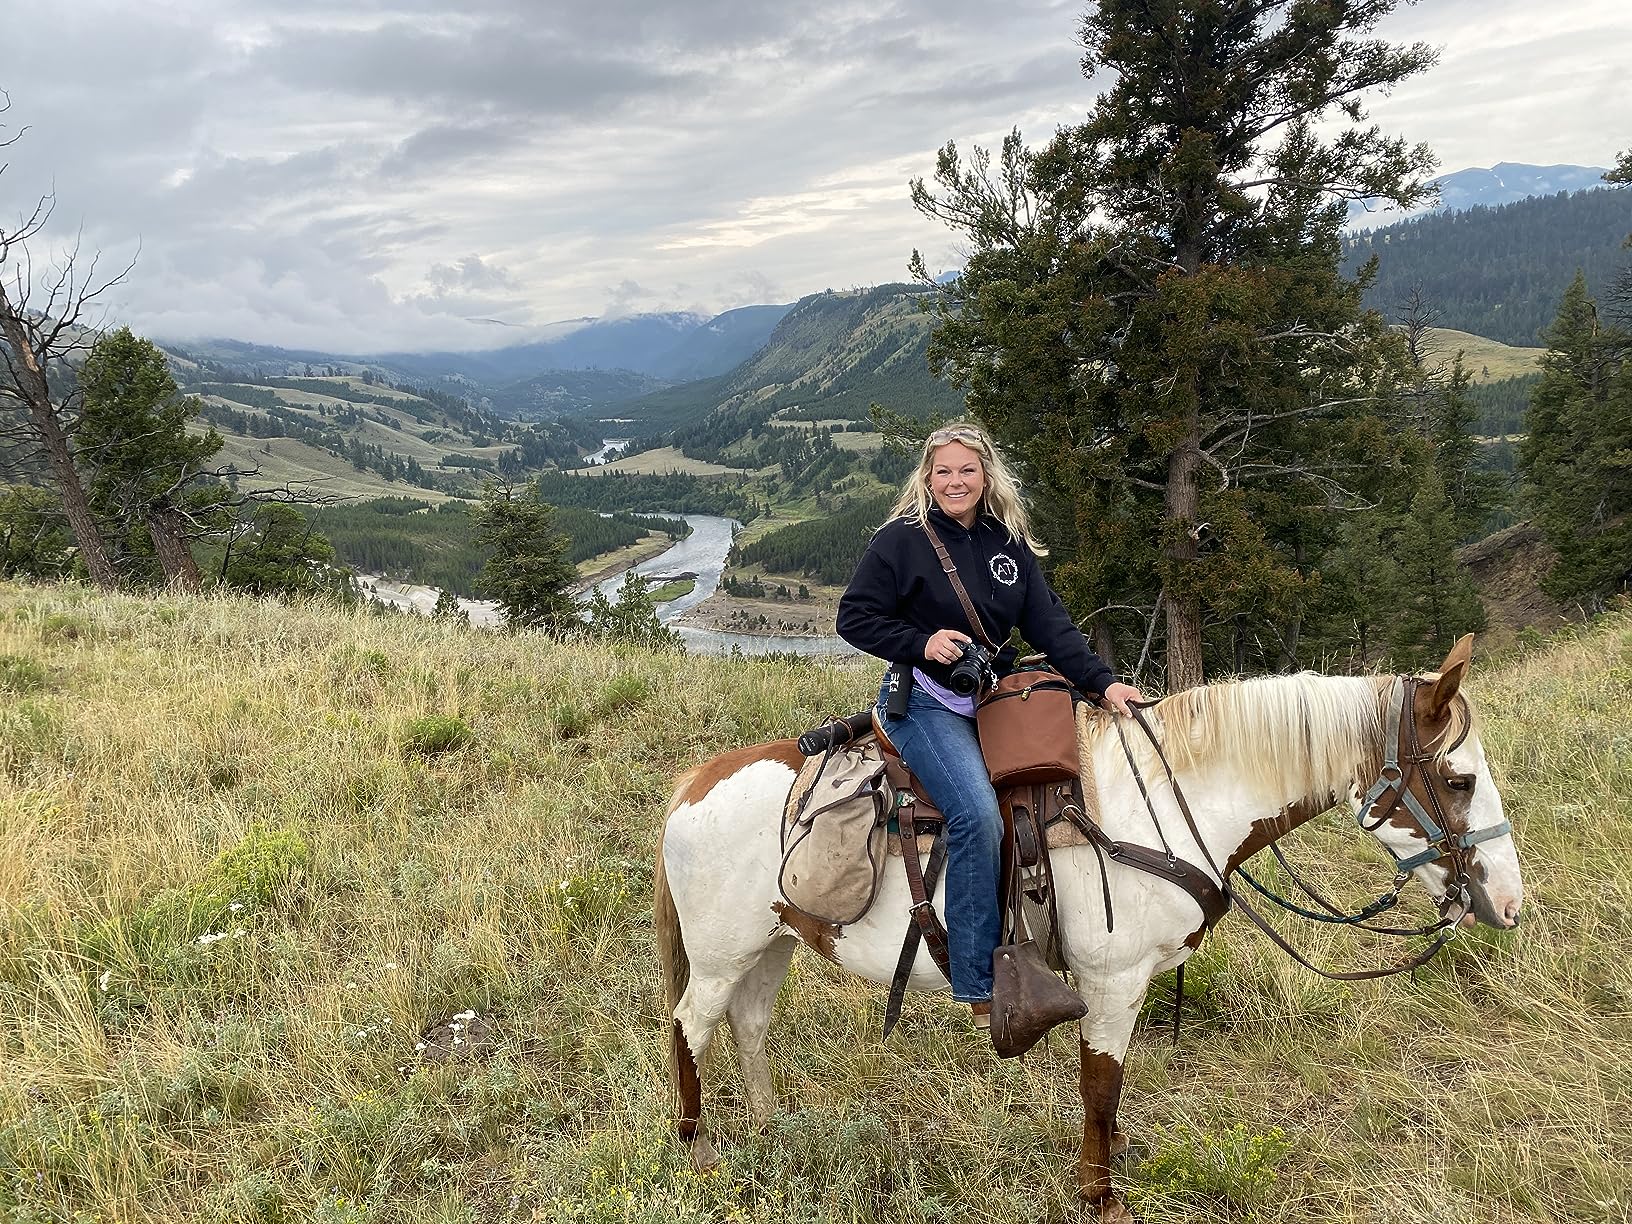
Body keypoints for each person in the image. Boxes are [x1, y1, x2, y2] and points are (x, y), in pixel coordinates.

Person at [836, 422, 1142, 1028]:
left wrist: (1103, 683)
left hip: (994, 702)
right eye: (943, 471)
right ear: (928, 478)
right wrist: (923, 643)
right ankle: (980, 982)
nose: (955, 482)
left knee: (1068, 792)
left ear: (986, 476)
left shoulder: (1007, 543)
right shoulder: (900, 541)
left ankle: (1061, 936)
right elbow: (855, 617)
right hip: (924, 703)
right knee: (977, 815)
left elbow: (1050, 624)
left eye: (967, 470)